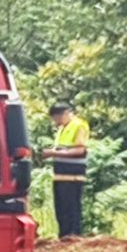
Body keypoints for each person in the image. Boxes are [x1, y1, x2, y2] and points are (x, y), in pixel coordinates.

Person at [45, 101, 90, 238]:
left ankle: (73, 236)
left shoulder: (79, 125)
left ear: (66, 113)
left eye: (57, 118)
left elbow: (80, 150)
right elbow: (62, 148)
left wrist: (53, 154)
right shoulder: (62, 128)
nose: (55, 122)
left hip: (73, 176)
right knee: (61, 210)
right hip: (60, 175)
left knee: (71, 210)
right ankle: (63, 236)